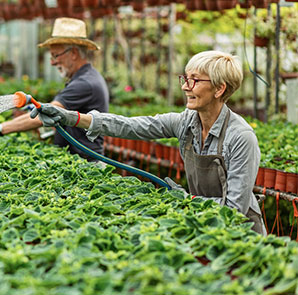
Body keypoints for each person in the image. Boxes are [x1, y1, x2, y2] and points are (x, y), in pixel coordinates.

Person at [30, 50, 266, 235]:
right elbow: (133, 126)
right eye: (185, 78)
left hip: (242, 235)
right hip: (204, 223)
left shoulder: (241, 137)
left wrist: (187, 199)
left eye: (194, 80)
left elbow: (234, 209)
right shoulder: (186, 122)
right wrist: (73, 117)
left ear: (219, 89)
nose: (185, 86)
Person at [0, 17, 109, 162]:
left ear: (74, 53)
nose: (52, 62)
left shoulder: (84, 83)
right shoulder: (84, 77)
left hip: (86, 167)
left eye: (55, 55)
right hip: (76, 162)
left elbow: (44, 116)